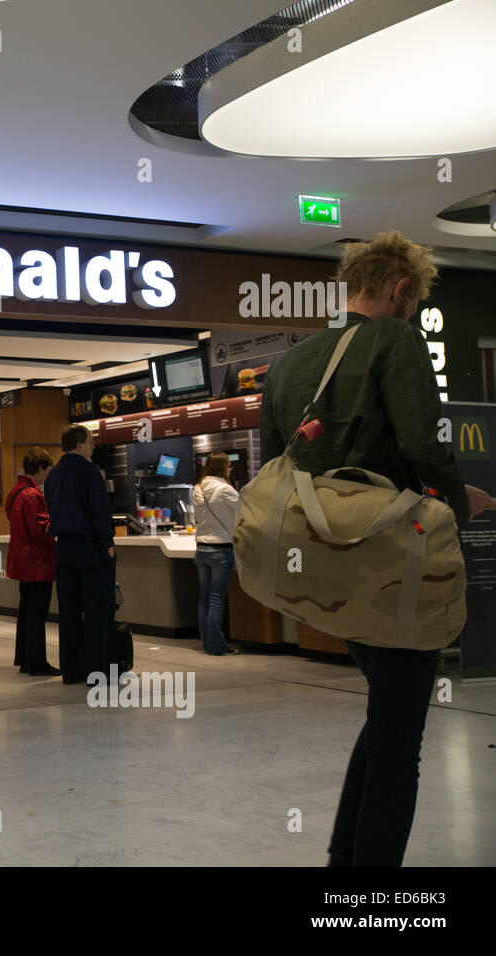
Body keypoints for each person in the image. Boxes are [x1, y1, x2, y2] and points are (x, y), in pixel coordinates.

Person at [260, 230, 496, 867]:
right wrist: (454, 496)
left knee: (387, 721)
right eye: (412, 302)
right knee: (400, 744)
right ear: (398, 289)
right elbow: (424, 442)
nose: (411, 313)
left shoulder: (287, 364)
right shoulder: (395, 338)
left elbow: (273, 462)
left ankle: (346, 865)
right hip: (389, 557)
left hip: (326, 566)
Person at [44, 425, 115, 684]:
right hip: (90, 546)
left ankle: (71, 670)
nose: (93, 445)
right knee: (96, 610)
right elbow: (98, 510)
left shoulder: (53, 475)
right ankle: (96, 671)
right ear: (79, 444)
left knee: (69, 609)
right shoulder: (89, 471)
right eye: (91, 441)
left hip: (64, 547)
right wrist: (107, 541)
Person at [7, 447, 60, 675]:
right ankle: (37, 662)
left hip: (22, 561)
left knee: (26, 612)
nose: (48, 475)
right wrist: (58, 527)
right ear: (39, 469)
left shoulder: (15, 492)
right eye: (47, 470)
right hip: (37, 562)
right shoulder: (33, 495)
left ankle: (25, 658)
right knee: (37, 614)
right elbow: (41, 530)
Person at [191, 452, 240, 657]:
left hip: (201, 549)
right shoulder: (226, 490)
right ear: (223, 468)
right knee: (217, 598)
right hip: (221, 549)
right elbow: (245, 512)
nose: (230, 469)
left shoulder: (198, 488)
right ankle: (216, 646)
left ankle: (207, 643)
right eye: (229, 466)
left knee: (204, 599)